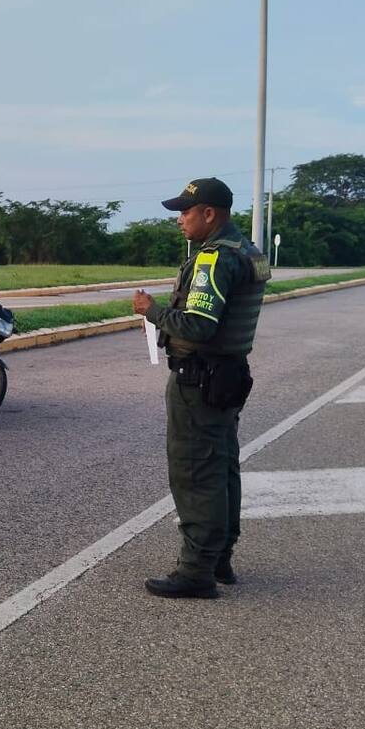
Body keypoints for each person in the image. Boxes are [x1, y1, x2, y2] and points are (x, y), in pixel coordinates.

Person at [133, 178, 269, 599]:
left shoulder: (212, 258)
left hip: (199, 377)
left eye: (186, 211)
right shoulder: (246, 251)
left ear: (209, 214)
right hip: (226, 375)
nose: (180, 220)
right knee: (223, 465)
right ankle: (219, 555)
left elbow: (198, 326)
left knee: (196, 471)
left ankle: (196, 570)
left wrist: (151, 311)